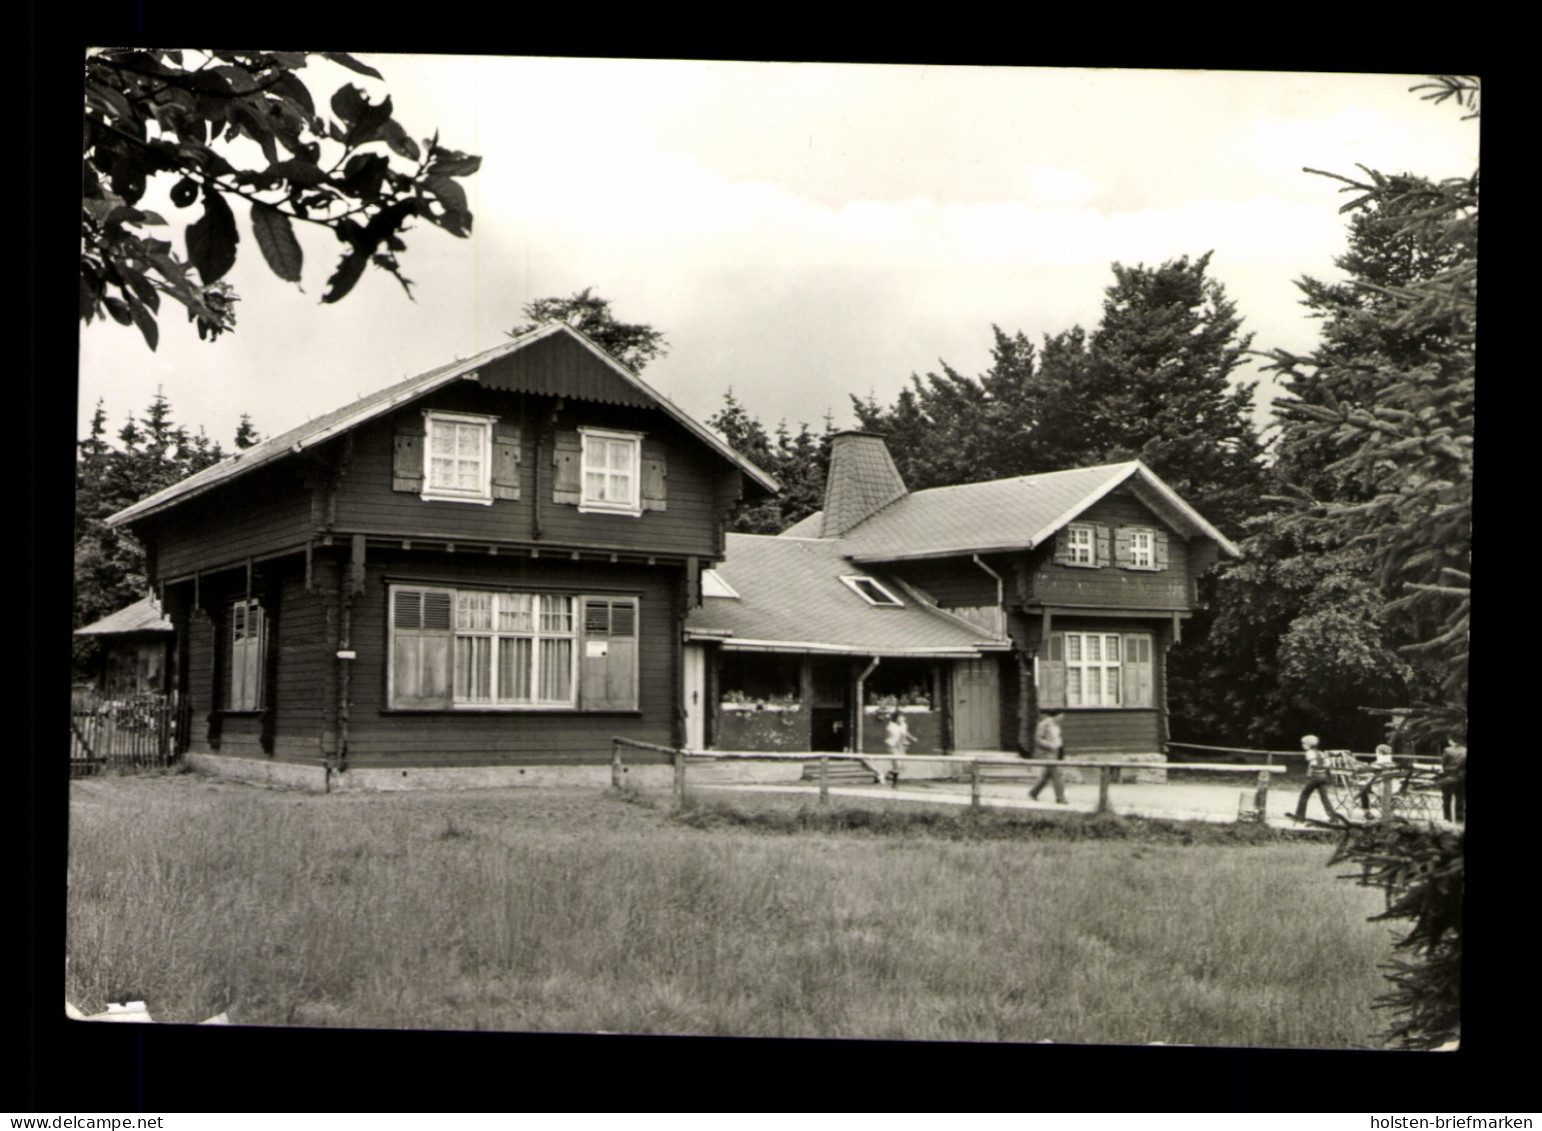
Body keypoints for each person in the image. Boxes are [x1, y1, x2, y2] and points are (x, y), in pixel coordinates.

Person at [1293, 734, 1337, 822]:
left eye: (1303, 744)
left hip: (1316, 778)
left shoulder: (1309, 752)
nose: (1302, 746)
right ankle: (1333, 817)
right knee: (1324, 797)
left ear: (1308, 745)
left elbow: (1313, 763)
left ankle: (1300, 816)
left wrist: (1315, 767)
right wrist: (1323, 767)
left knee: (1304, 795)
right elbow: (1328, 764)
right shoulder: (1321, 753)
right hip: (1323, 777)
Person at [1028, 708, 1068, 804]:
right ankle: (1060, 797)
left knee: (1047, 775)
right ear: (1056, 716)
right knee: (1057, 774)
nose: (1062, 719)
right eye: (1061, 717)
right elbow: (1038, 739)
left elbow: (1057, 738)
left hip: (1057, 752)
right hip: (1048, 753)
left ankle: (1034, 792)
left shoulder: (1056, 726)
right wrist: (1050, 745)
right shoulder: (1044, 724)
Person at [1357, 744, 1396, 813]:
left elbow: (1368, 773)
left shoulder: (1378, 764)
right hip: (1395, 787)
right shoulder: (1394, 764)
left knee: (1362, 787)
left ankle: (1366, 810)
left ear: (1379, 753)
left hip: (1380, 787)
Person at [1439, 740, 1467, 822]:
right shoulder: (1465, 750)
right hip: (1461, 778)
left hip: (1449, 777)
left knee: (1447, 800)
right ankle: (1459, 819)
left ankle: (1447, 819)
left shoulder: (1447, 750)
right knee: (1460, 799)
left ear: (1451, 740)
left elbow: (1443, 763)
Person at [883, 708, 912, 787]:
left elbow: (904, 734)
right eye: (901, 717)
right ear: (896, 718)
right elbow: (889, 737)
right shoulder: (890, 726)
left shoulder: (904, 725)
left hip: (900, 746)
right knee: (897, 764)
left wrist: (910, 739)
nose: (903, 718)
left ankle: (884, 775)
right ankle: (894, 783)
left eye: (903, 717)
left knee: (901, 766)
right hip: (892, 746)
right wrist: (895, 743)